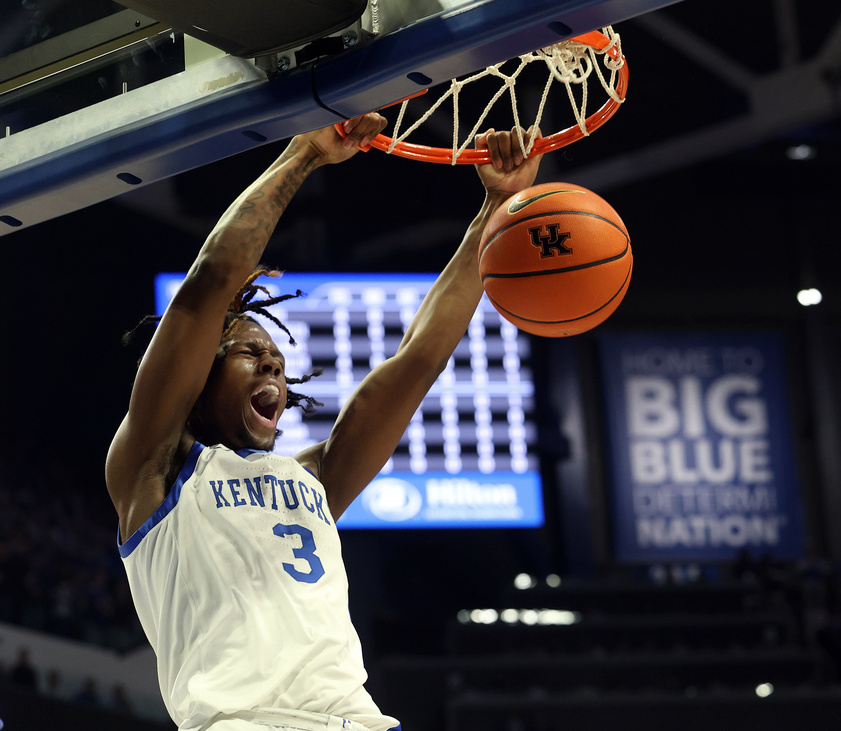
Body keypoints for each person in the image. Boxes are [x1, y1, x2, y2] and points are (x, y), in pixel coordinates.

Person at [105, 115, 544, 731]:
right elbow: (210, 283)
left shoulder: (314, 478)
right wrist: (304, 154)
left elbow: (417, 359)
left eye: (279, 363)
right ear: (197, 377)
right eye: (250, 354)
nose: (273, 369)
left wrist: (494, 210)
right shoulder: (155, 470)